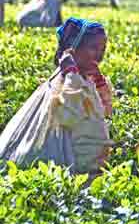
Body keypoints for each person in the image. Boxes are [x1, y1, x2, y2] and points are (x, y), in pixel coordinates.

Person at [0, 17, 113, 174]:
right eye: (94, 48)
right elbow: (67, 115)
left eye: (103, 49)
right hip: (68, 159)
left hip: (92, 160)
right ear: (73, 49)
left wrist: (100, 84)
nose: (99, 55)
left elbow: (106, 111)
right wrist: (71, 74)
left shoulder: (87, 77)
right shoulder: (64, 80)